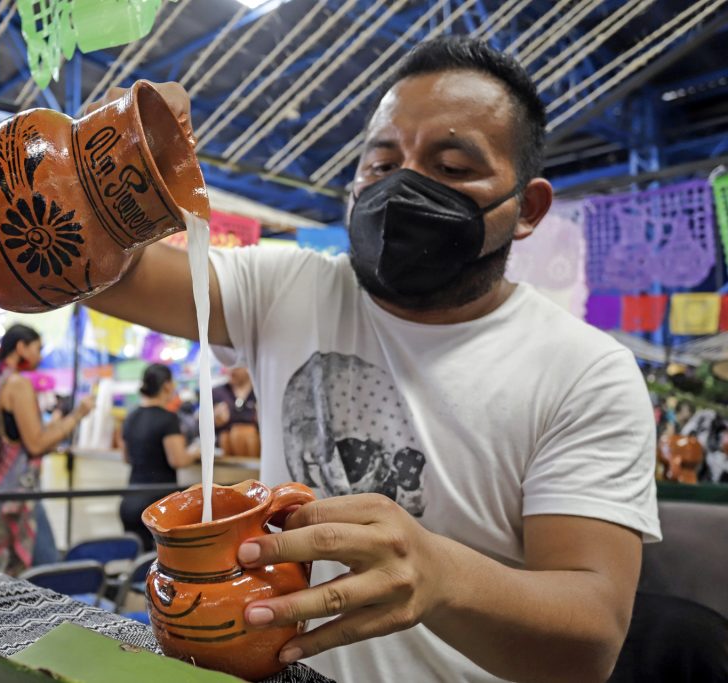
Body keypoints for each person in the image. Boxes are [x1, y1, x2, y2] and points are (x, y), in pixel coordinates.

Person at [84, 38, 662, 683]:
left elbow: (590, 644)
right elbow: (97, 274)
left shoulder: (585, 372)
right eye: (381, 163)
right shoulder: (291, 289)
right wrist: (108, 162)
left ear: (526, 209)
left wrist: (440, 576)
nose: (404, 186)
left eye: (452, 166)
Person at [0, 324, 94, 575]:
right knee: (48, 573)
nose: (40, 356)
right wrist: (78, 415)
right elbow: (36, 444)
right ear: (21, 347)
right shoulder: (17, 384)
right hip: (18, 498)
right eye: (38, 348)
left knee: (0, 578)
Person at [120, 363, 199, 550]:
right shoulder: (168, 419)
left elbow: (126, 457)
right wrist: (198, 451)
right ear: (166, 386)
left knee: (139, 562)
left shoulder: (130, 417)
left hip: (129, 502)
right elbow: (177, 459)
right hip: (158, 505)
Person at [213, 366, 260, 457]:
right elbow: (200, 427)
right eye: (228, 365)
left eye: (236, 366)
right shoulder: (217, 393)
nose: (231, 369)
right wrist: (214, 420)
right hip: (225, 454)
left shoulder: (260, 391)